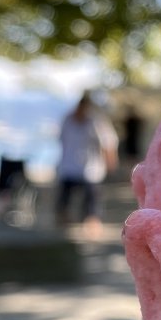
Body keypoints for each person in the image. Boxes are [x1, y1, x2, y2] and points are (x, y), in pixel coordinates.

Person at [56, 91, 118, 236]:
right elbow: (61, 140)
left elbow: (109, 143)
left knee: (92, 199)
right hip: (69, 165)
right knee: (65, 196)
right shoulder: (68, 119)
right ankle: (63, 219)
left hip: (91, 168)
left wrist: (110, 162)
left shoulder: (97, 121)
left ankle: (92, 222)